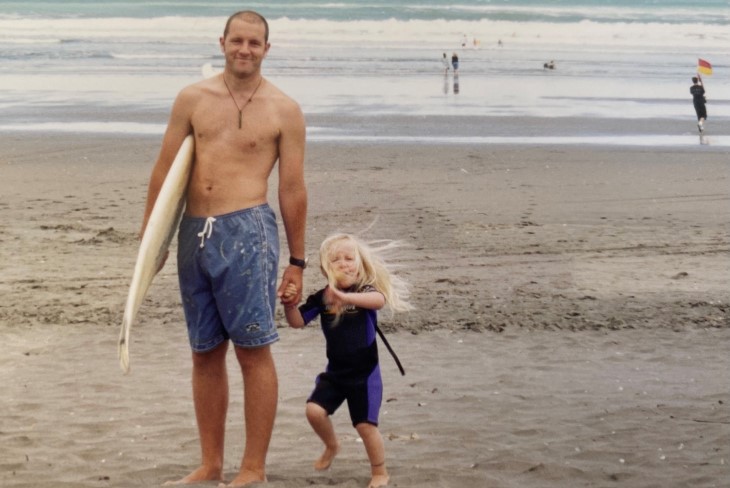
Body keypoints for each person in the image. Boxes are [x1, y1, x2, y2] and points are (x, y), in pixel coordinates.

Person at [140, 10, 307, 487]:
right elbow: (164, 168)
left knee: (252, 351)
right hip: (193, 232)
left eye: (255, 43)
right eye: (238, 41)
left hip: (248, 233)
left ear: (267, 49)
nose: (245, 50)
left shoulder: (284, 110)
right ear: (222, 42)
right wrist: (151, 238)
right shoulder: (193, 98)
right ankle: (211, 464)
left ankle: (253, 468)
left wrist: (297, 261)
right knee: (204, 351)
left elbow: (293, 189)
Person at [282, 233, 413, 488]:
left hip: (364, 374)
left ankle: (379, 472)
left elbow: (378, 301)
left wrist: (347, 298)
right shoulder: (323, 297)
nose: (343, 264)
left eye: (349, 258)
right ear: (325, 269)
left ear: (360, 263)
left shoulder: (364, 291)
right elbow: (297, 322)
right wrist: (289, 304)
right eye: (336, 260)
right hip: (336, 373)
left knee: (365, 426)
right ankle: (332, 445)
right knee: (314, 411)